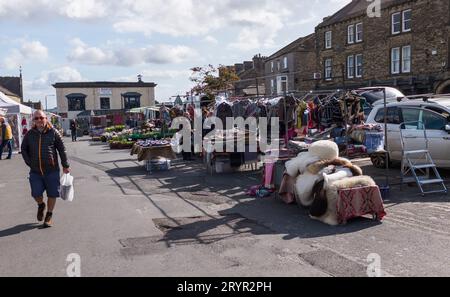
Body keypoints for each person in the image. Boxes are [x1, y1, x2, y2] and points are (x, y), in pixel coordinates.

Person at [21, 110, 71, 228]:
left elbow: (62, 150)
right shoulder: (30, 134)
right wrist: (29, 162)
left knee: (52, 194)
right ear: (33, 120)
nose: (39, 120)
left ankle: (49, 215)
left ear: (46, 118)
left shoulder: (54, 132)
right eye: (36, 118)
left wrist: (65, 165)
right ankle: (41, 205)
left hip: (51, 170)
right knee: (36, 193)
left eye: (41, 118)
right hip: (35, 171)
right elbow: (23, 149)